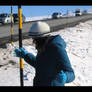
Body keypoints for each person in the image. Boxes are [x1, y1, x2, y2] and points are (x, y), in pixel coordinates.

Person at [14, 21, 75, 86]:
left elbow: (71, 74)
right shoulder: (43, 47)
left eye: (35, 39)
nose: (34, 41)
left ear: (42, 38)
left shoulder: (57, 49)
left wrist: (65, 77)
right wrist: (26, 55)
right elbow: (40, 65)